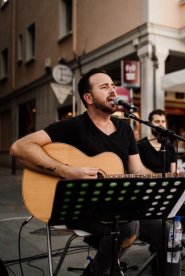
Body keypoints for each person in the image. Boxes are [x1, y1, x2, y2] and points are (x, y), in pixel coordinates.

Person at [10, 68, 149, 275]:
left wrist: (170, 180)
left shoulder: (126, 130)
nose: (113, 90)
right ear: (88, 97)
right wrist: (67, 171)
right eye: (104, 87)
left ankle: (106, 264)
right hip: (76, 206)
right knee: (125, 228)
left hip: (112, 205)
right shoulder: (73, 127)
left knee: (163, 226)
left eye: (113, 85)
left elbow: (137, 169)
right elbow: (19, 148)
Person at [136, 109, 182, 275]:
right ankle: (160, 250)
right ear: (149, 123)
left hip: (166, 193)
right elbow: (136, 172)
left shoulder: (169, 147)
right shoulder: (140, 146)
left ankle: (162, 250)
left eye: (163, 121)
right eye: (157, 121)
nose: (161, 124)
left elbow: (173, 173)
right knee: (162, 223)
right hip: (146, 195)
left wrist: (178, 178)